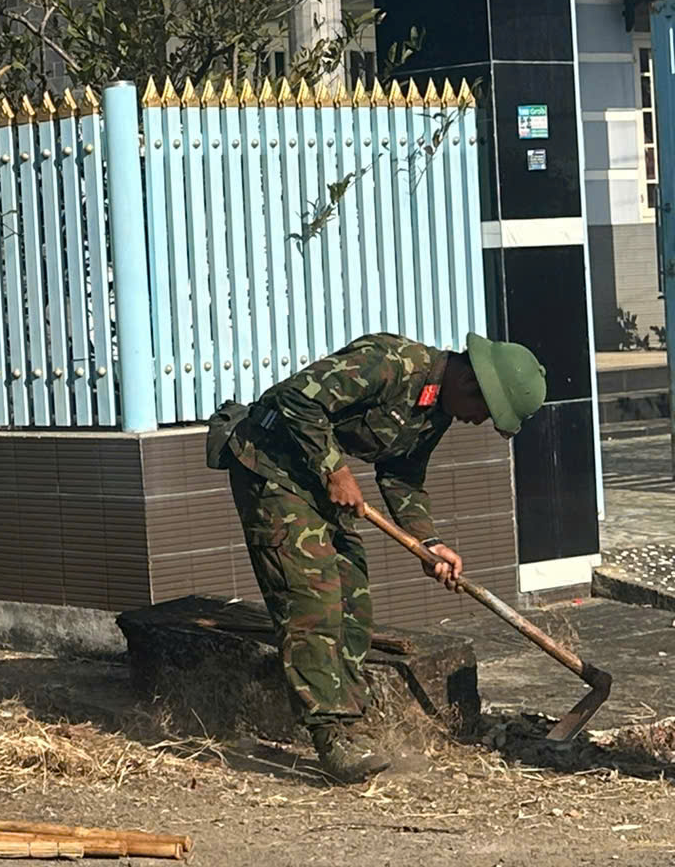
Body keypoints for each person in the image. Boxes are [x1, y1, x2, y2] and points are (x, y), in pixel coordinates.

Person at [214, 330, 546, 784]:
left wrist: (428, 542)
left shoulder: (436, 409)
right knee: (312, 599)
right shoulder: (390, 363)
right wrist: (336, 470)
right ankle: (330, 734)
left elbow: (402, 474)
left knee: (353, 597)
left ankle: (352, 721)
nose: (477, 422)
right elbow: (296, 398)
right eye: (485, 413)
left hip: (314, 480)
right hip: (269, 465)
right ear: (472, 384)